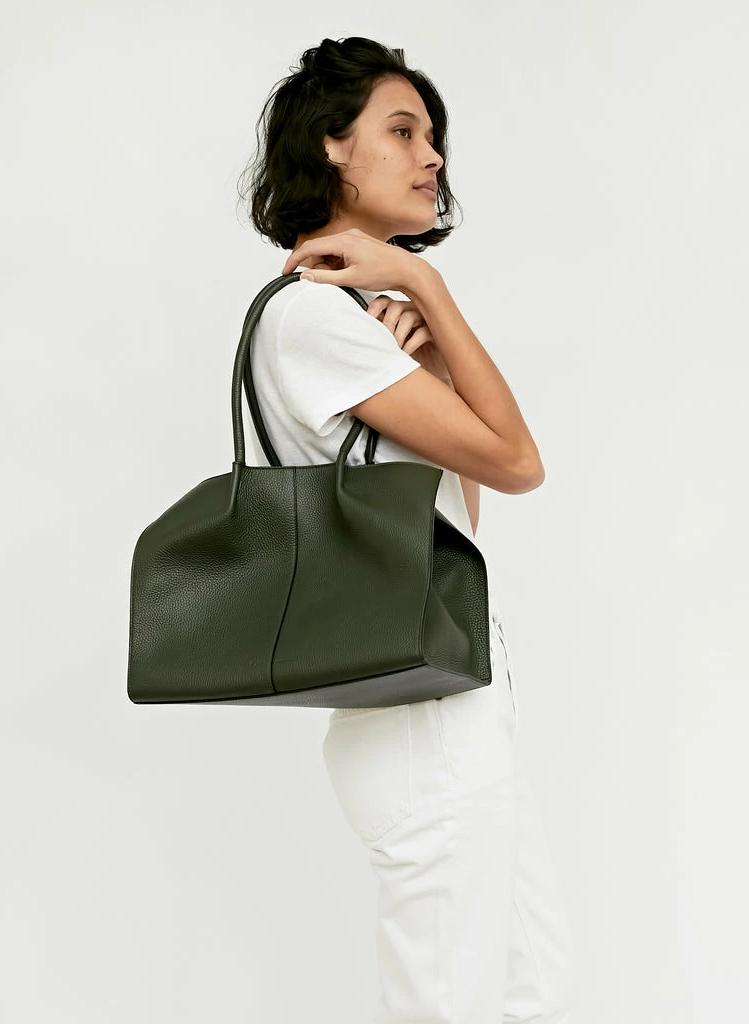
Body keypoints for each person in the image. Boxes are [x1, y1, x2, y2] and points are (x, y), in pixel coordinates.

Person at [237, 36, 577, 1024]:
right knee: (450, 1002)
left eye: (434, 137)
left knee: (533, 985)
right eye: (402, 131)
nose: (431, 157)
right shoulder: (312, 317)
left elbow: (456, 509)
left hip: (452, 697)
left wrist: (425, 368)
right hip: (421, 717)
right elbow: (520, 462)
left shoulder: (355, 322)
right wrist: (428, 286)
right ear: (331, 145)